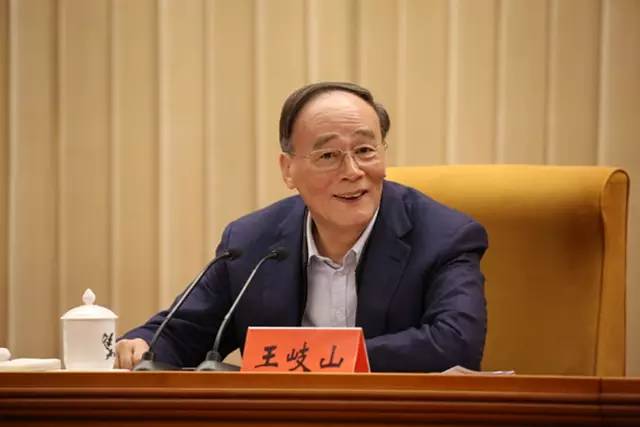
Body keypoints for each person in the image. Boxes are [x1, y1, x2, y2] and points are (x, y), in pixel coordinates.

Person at [116, 82, 488, 372]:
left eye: (365, 150)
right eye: (328, 155)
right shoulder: (251, 243)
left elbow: (456, 343)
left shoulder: (445, 236)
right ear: (288, 169)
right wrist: (143, 344)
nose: (353, 171)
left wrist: (315, 360)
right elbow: (183, 332)